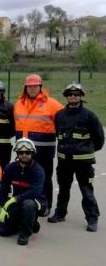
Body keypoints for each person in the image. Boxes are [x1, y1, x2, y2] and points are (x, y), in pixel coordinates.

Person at [49, 83, 104, 232]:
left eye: (76, 94)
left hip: (83, 163)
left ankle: (92, 218)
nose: (73, 97)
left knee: (86, 191)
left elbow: (99, 138)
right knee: (63, 189)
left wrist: (86, 150)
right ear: (66, 97)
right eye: (70, 94)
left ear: (81, 96)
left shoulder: (89, 116)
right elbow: (57, 134)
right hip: (64, 161)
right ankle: (60, 214)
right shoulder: (60, 115)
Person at [14, 74, 63, 216]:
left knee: (45, 177)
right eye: (29, 86)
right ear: (25, 87)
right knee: (25, 177)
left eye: (35, 86)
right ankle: (28, 203)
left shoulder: (52, 104)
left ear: (40, 87)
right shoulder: (19, 104)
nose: (32, 89)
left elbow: (65, 121)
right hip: (24, 151)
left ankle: (45, 204)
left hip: (44, 150)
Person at [0, 138, 46, 246]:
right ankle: (28, 223)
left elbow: (35, 192)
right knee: (2, 231)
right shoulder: (10, 168)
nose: (24, 155)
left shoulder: (38, 170)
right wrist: (2, 205)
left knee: (28, 205)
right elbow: (4, 188)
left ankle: (25, 234)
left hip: (35, 202)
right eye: (21, 152)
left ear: (32, 153)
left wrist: (15, 199)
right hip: (17, 201)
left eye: (27, 152)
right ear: (17, 153)